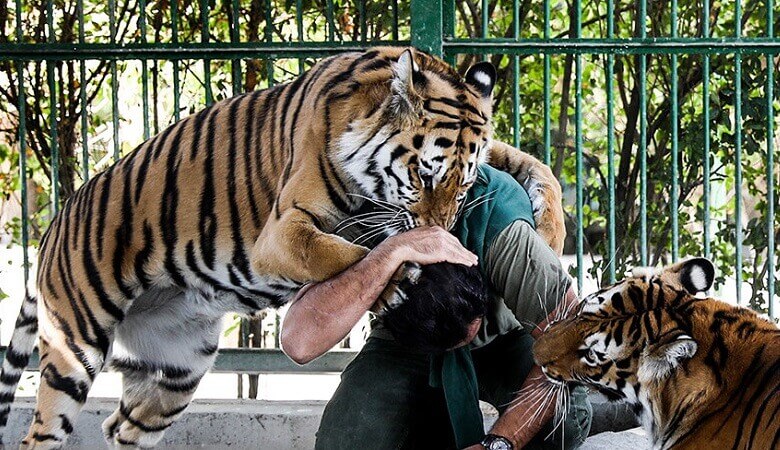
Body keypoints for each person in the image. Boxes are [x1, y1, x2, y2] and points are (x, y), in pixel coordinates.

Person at [280, 165, 592, 450]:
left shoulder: (503, 229)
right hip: (403, 346)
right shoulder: (362, 217)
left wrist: (501, 443)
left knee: (563, 420)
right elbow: (298, 343)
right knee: (347, 440)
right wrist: (389, 254)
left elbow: (570, 339)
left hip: (502, 340)